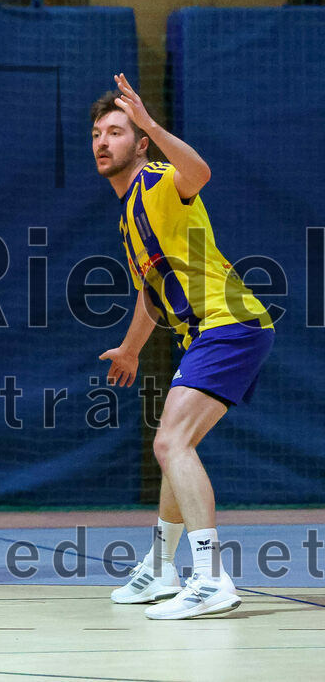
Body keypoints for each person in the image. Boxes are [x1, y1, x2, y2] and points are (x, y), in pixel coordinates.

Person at [92, 74, 274, 620]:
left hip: (230, 323)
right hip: (213, 332)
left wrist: (150, 122)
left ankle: (211, 578)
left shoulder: (156, 180)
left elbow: (200, 172)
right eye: (98, 133)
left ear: (140, 143)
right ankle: (161, 569)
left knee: (171, 443)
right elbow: (153, 294)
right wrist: (128, 350)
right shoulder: (128, 214)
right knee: (173, 445)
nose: (104, 141)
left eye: (118, 132)